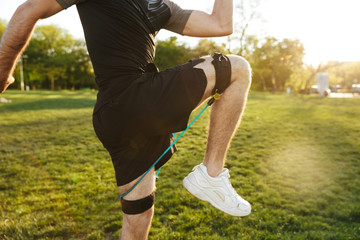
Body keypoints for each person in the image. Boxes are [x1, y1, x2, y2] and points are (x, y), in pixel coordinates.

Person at [0, 0, 252, 239]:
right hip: (134, 99)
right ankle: (212, 173)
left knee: (139, 212)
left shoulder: (161, 6)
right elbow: (28, 10)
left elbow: (221, 24)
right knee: (237, 69)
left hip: (115, 118)